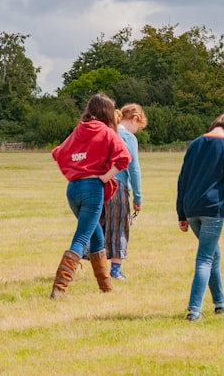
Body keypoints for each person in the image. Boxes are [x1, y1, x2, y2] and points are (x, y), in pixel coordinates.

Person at [50, 93, 131, 298]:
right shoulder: (107, 132)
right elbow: (124, 158)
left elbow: (58, 153)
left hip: (73, 189)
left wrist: (76, 167)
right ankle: (59, 288)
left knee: (97, 236)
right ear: (107, 112)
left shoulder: (79, 129)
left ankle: (106, 287)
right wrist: (104, 177)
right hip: (92, 189)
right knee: (82, 237)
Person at [176, 112, 224, 321]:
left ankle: (221, 304)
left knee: (213, 254)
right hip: (212, 210)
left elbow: (182, 180)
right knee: (205, 259)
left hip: (191, 209)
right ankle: (194, 310)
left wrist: (181, 213)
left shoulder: (194, 144)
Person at [102, 103, 147, 281]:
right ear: (134, 119)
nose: (137, 131)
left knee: (99, 225)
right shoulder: (128, 137)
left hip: (100, 184)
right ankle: (116, 270)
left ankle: (95, 265)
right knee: (119, 226)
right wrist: (138, 197)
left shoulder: (108, 132)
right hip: (118, 186)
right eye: (138, 127)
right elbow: (133, 169)